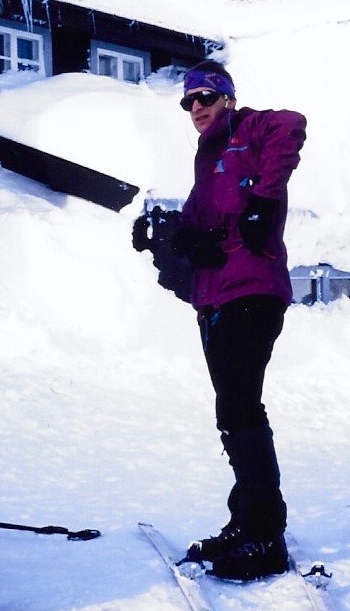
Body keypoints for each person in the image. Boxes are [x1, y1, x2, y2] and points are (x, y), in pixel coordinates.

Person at [135, 59, 307, 580]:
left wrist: (263, 198)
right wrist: (171, 234)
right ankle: (247, 520)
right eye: (189, 101)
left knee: (240, 407)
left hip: (253, 291)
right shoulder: (205, 160)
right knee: (232, 411)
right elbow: (196, 215)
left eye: (206, 97)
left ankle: (265, 536)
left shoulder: (249, 129)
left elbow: (292, 123)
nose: (197, 108)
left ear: (228, 98)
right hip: (215, 300)